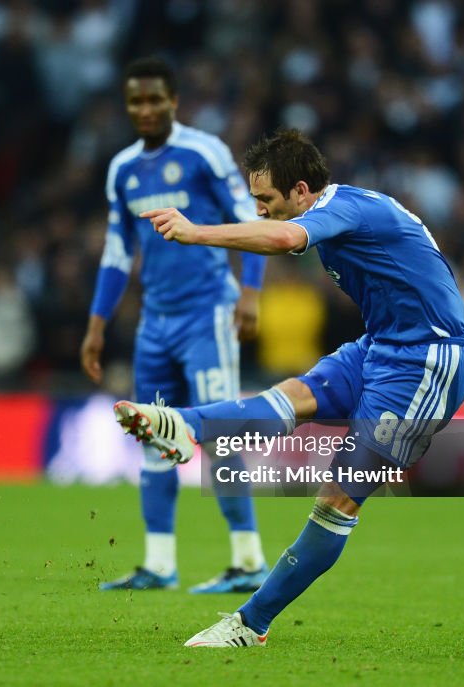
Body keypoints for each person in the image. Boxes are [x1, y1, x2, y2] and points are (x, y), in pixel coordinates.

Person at [116, 128, 464, 646]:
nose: (260, 211)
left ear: (301, 191)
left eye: (266, 200)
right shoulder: (343, 210)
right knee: (292, 396)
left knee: (337, 500)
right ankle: (183, 427)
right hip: (382, 346)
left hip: (426, 360)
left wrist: (198, 233)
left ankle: (249, 624)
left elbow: (285, 240)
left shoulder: (344, 209)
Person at [81, 56, 271, 593]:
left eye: (153, 99)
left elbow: (249, 218)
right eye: (134, 101)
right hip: (155, 325)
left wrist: (250, 291)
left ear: (174, 101)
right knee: (153, 436)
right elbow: (118, 252)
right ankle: (160, 564)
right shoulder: (123, 169)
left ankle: (249, 559)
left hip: (208, 314)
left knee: (223, 435)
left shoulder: (204, 151)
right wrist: (97, 325)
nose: (144, 109)